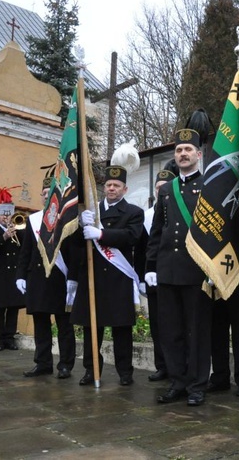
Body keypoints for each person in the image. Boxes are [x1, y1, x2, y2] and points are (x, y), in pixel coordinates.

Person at [145, 124, 212, 406]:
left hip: (196, 272)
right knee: (171, 331)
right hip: (168, 270)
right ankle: (177, 382)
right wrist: (150, 266)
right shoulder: (168, 189)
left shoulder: (209, 186)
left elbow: (215, 233)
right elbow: (158, 230)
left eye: (188, 149)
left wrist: (213, 270)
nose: (183, 154)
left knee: (196, 331)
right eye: (178, 150)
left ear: (198, 154)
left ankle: (197, 385)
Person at [71, 165, 145, 386]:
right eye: (109, 185)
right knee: (91, 328)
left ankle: (125, 372)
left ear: (125, 189)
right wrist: (80, 225)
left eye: (116, 185)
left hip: (117, 276)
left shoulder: (134, 212)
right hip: (92, 277)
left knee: (121, 328)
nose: (111, 188)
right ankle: (91, 370)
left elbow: (132, 236)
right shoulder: (92, 213)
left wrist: (101, 233)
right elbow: (75, 244)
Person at [16, 177, 75, 379]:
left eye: (49, 193)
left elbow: (73, 254)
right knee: (40, 324)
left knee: (64, 326)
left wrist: (73, 279)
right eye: (43, 194)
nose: (45, 197)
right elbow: (25, 252)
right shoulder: (33, 220)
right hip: (38, 278)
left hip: (61, 278)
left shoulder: (66, 219)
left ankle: (65, 365)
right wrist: (20, 275)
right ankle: (43, 363)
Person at [142, 167, 176, 382]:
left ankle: (177, 367)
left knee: (175, 324)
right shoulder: (145, 215)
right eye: (157, 187)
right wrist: (142, 275)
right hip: (152, 275)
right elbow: (144, 248)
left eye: (164, 187)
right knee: (156, 324)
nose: (160, 190)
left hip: (174, 273)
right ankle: (161, 365)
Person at [0, 203, 26, 351]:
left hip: (14, 274)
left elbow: (26, 246)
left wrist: (16, 230)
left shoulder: (19, 231)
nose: (5, 216)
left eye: (8, 214)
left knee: (13, 308)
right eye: (2, 214)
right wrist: (4, 236)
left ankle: (10, 338)